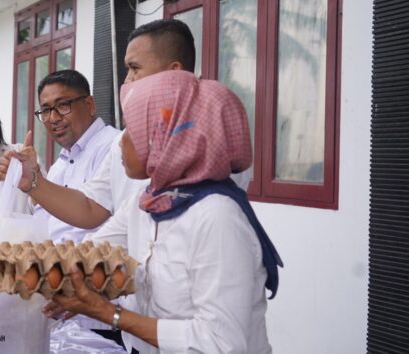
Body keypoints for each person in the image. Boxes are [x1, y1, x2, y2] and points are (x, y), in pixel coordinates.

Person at [43, 70, 282, 353]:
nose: (121, 142)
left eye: (133, 130)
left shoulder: (217, 216)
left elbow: (221, 342)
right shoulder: (148, 202)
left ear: (164, 135)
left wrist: (110, 314)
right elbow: (88, 255)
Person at [0, 19, 250, 229]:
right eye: (45, 110)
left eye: (135, 68)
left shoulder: (216, 138)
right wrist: (33, 182)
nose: (127, 80)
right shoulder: (126, 142)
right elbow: (93, 209)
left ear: (174, 72)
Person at [32, 70, 120, 243]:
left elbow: (94, 216)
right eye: (46, 110)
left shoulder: (114, 147)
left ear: (89, 105)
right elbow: (41, 222)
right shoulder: (59, 165)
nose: (53, 118)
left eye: (63, 105)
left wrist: (33, 181)